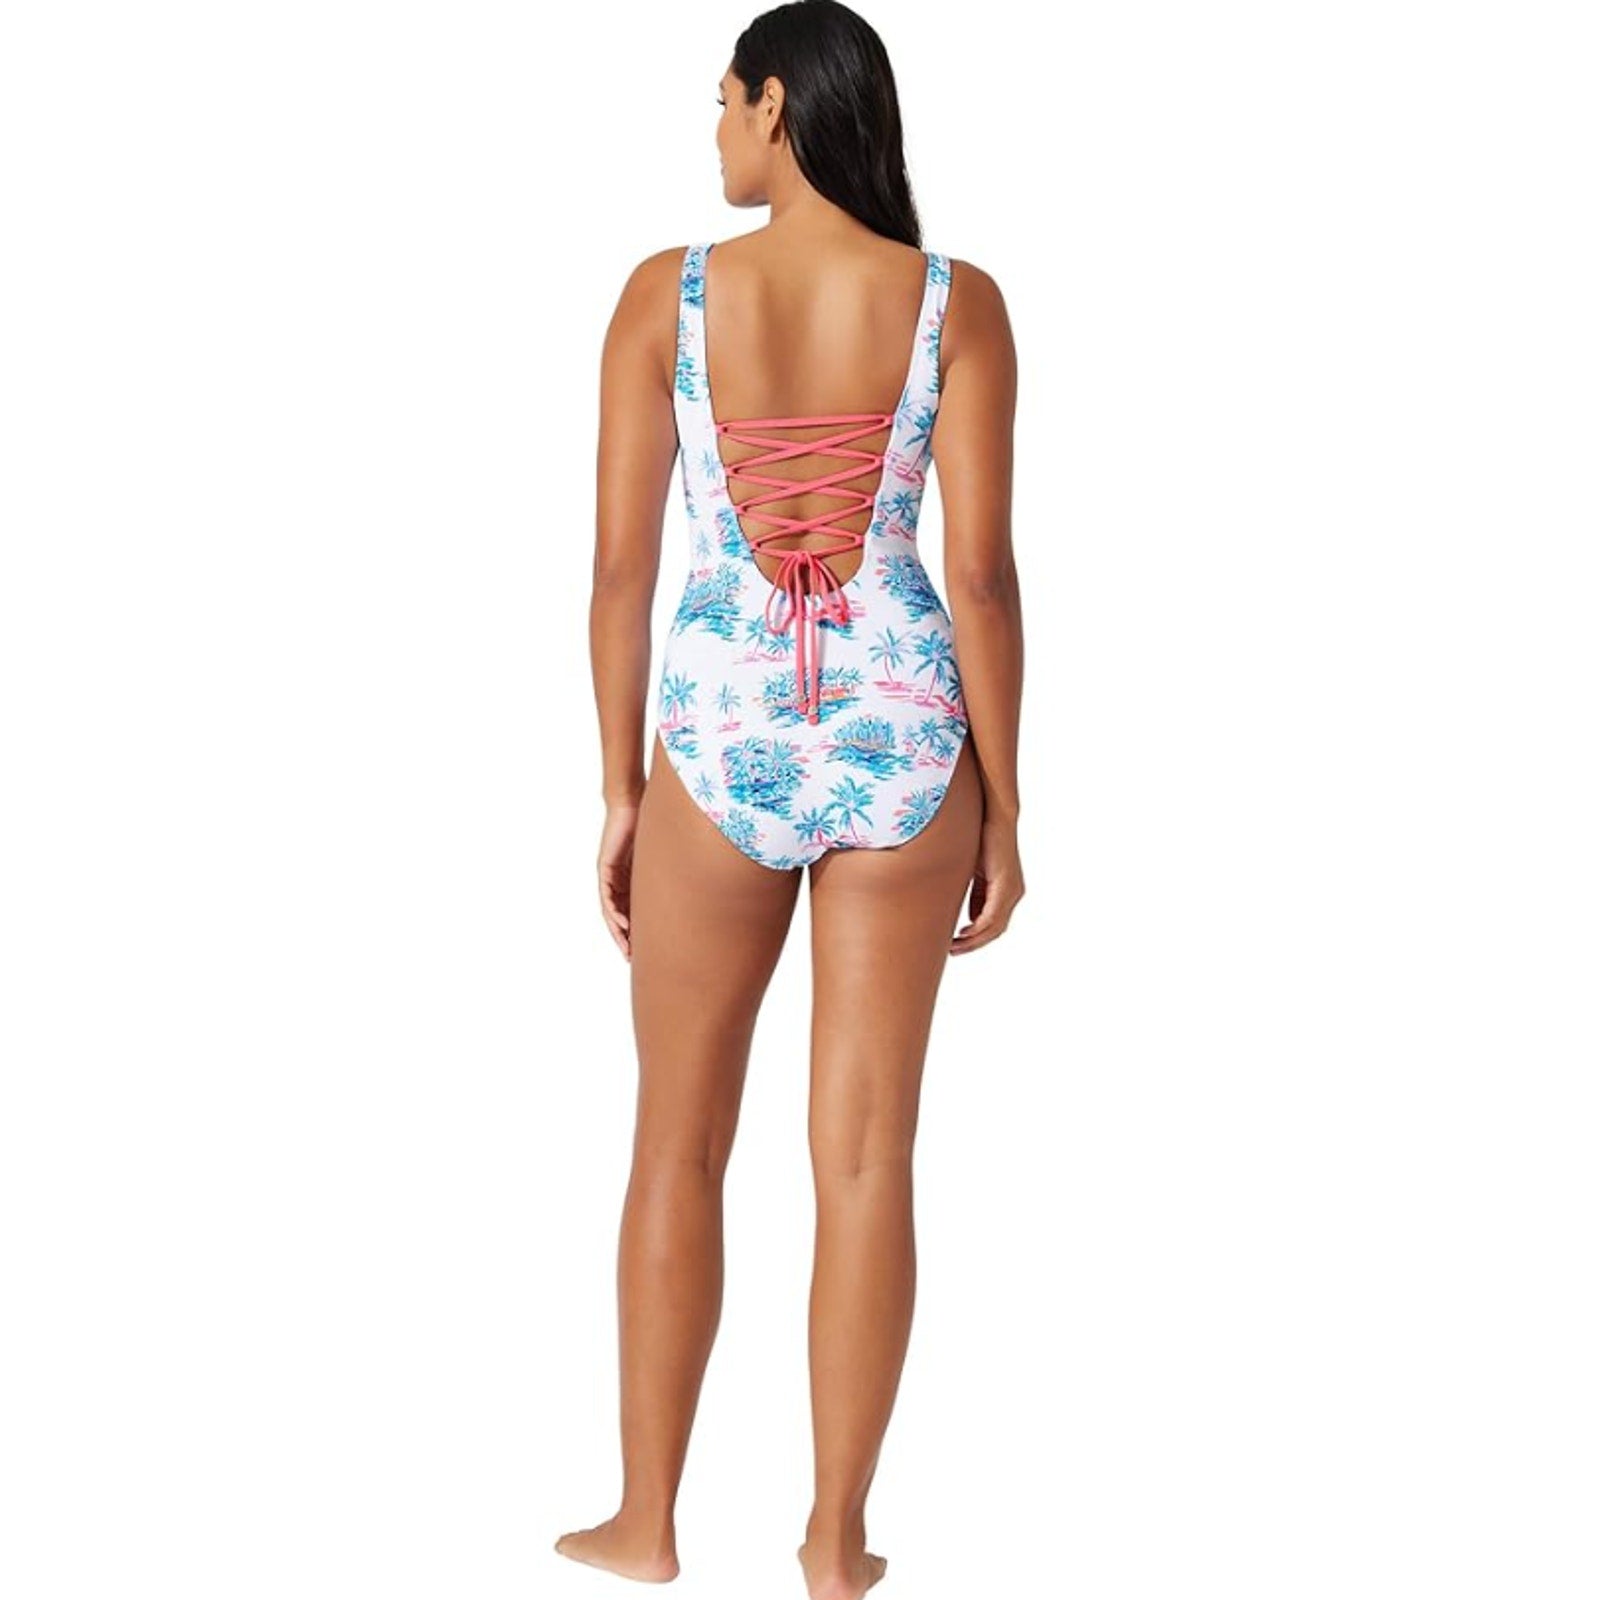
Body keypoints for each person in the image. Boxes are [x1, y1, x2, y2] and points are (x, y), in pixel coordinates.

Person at [559, 3, 1024, 1596]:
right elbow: (981, 575)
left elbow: (620, 569)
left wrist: (619, 789)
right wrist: (1007, 802)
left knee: (677, 1142)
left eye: (722, 102)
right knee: (868, 1157)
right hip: (909, 732)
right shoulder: (954, 301)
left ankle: (646, 1524)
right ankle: (834, 1541)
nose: (714, 133)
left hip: (717, 728)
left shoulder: (668, 295)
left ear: (778, 105)